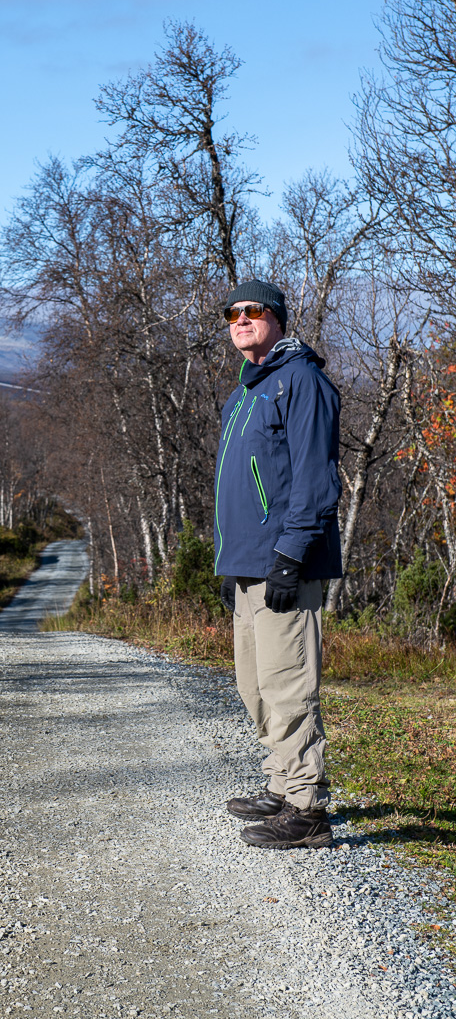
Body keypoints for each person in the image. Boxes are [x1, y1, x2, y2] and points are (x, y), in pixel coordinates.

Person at [214, 279, 342, 849]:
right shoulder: (245, 392)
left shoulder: (301, 382)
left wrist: (291, 556)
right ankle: (282, 784)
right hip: (247, 566)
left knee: (288, 684)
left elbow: (315, 481)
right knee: (255, 684)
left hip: (284, 563)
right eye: (232, 312)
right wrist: (228, 564)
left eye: (253, 310)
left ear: (278, 318)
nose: (241, 319)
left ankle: (307, 806)